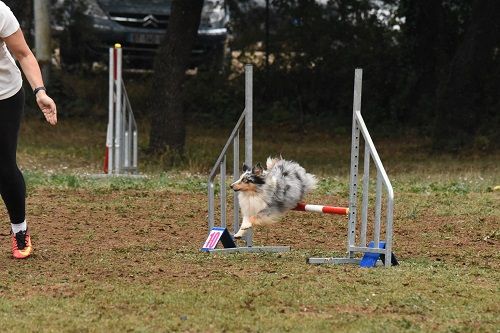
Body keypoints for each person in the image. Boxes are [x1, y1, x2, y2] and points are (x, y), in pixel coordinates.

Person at [0, 1, 57, 259]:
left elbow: (23, 54)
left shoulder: (0, 11)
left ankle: (19, 229)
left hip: (4, 96)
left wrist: (40, 92)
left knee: (3, 166)